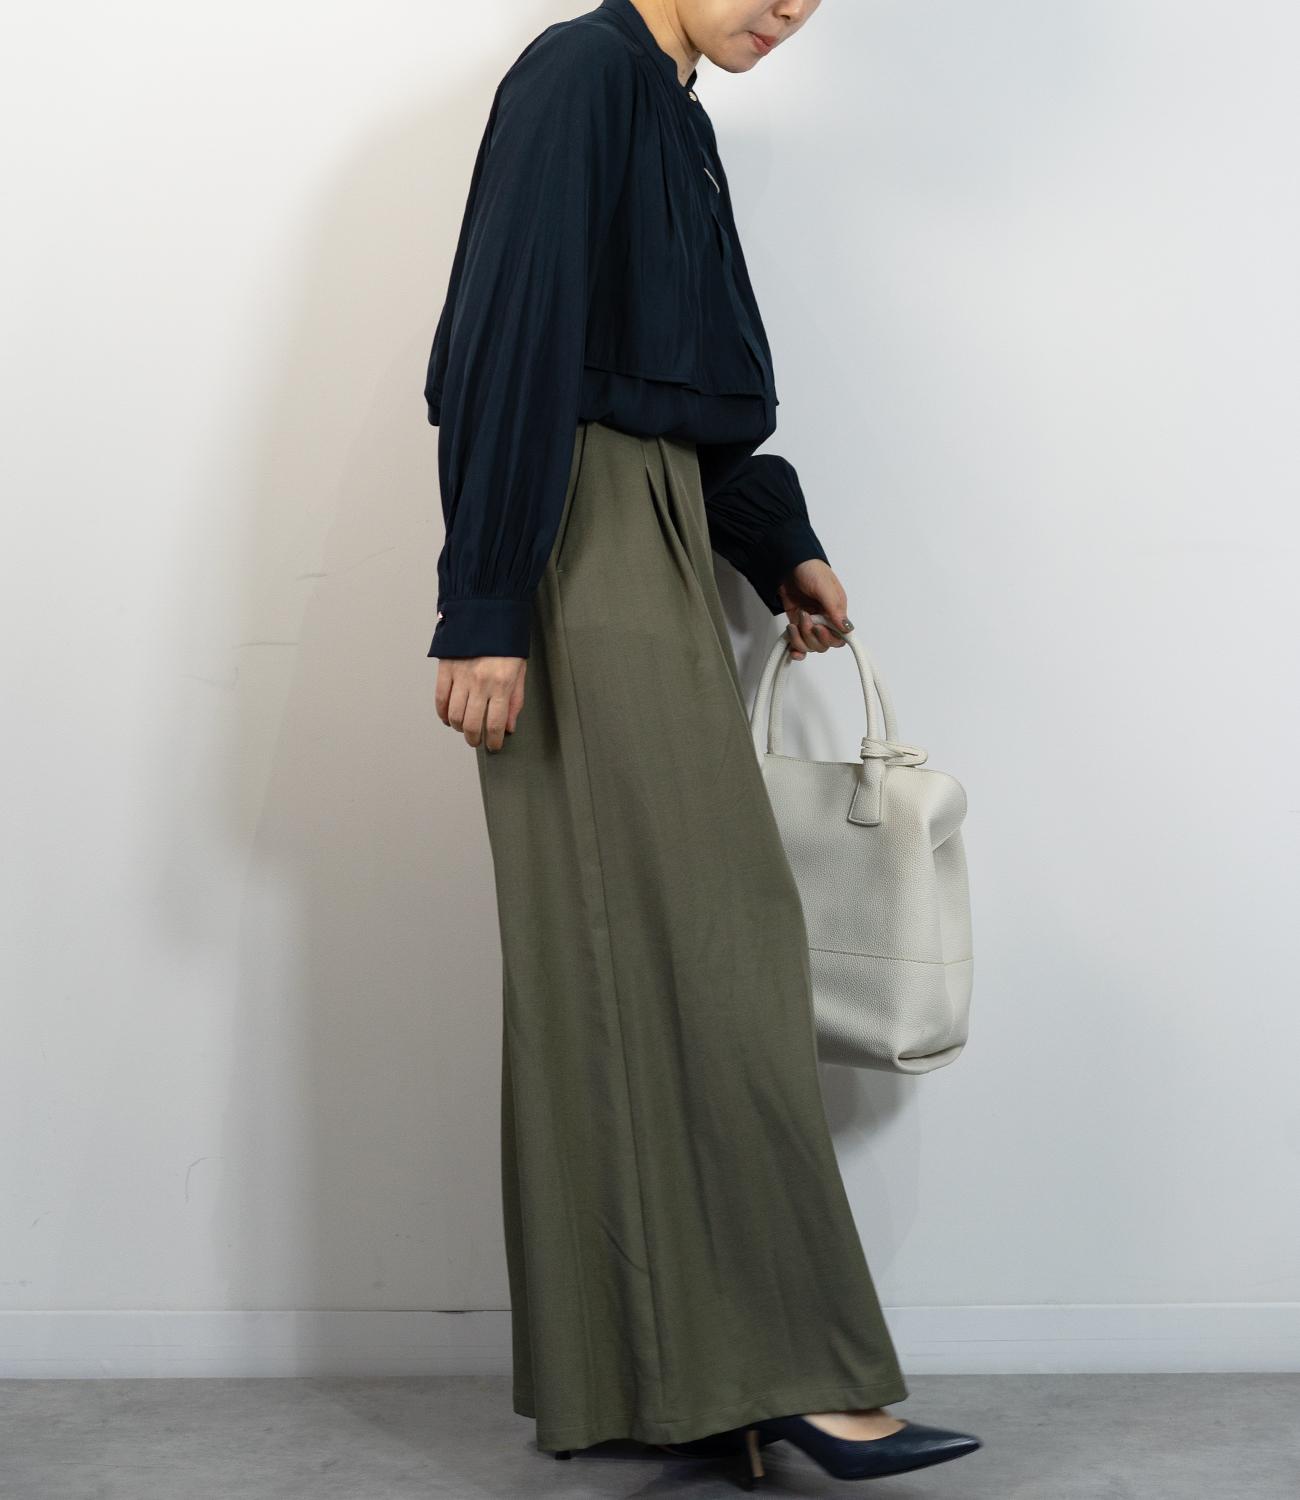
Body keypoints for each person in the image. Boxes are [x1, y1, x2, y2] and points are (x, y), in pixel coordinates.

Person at [423, 0, 983, 1484]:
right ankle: (795, 1374)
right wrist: (486, 601)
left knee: (635, 964)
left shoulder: (671, 109)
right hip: (580, 541)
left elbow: (690, 393)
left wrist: (774, 541)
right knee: (706, 949)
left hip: (654, 531)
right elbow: (508, 343)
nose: (792, 4)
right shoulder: (581, 77)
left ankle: (666, 1382)